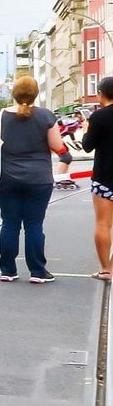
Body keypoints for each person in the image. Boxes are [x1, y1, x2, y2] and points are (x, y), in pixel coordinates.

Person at [0, 76, 64, 283]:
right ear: (36, 94)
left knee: (9, 223)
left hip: (6, 179)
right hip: (38, 179)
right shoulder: (46, 116)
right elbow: (56, 145)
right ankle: (37, 271)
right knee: (34, 225)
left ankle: (8, 270)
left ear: (14, 94)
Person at [84, 77, 113, 281]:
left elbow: (87, 146)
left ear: (101, 94)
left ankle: (106, 269)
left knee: (103, 224)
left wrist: (87, 128)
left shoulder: (98, 117)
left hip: (104, 177)